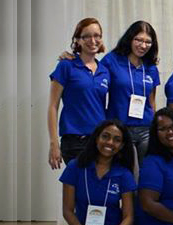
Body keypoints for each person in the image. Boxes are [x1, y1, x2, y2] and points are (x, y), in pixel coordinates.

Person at [47, 17, 110, 169]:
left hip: (100, 141)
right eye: (86, 36)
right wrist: (54, 143)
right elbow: (53, 106)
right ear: (78, 40)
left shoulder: (105, 71)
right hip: (75, 142)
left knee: (96, 189)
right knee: (80, 188)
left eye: (97, 36)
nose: (92, 40)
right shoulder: (66, 66)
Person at [101, 20, 161, 162]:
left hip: (145, 128)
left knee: (145, 173)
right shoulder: (112, 60)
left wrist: (155, 128)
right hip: (119, 128)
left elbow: (152, 101)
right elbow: (93, 78)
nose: (143, 45)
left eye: (148, 42)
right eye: (138, 40)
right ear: (130, 39)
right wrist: (72, 57)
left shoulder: (151, 67)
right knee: (125, 172)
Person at [59, 120, 137, 225]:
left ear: (122, 145)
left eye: (117, 140)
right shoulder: (75, 167)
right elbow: (67, 211)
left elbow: (128, 216)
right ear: (96, 138)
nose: (110, 142)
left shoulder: (124, 173)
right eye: (105, 136)